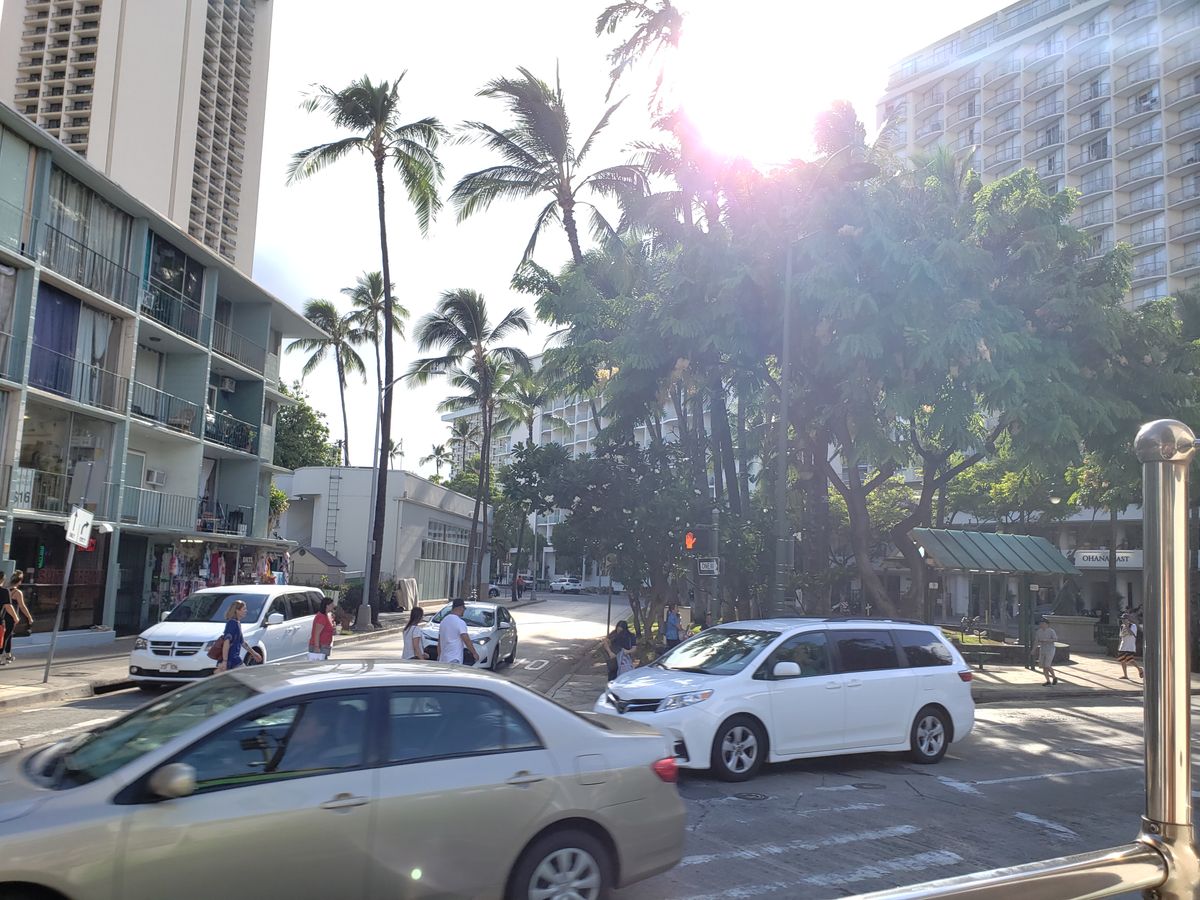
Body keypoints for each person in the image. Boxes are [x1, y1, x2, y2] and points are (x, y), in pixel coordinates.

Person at [216, 599, 263, 672]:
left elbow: (242, 642)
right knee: (244, 675)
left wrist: (254, 653)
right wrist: (225, 661)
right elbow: (226, 642)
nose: (246, 611)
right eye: (244, 609)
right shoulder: (232, 623)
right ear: (237, 611)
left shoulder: (237, 623)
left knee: (224, 677)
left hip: (233, 659)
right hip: (231, 659)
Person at [438, 599, 480, 665]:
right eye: (464, 608)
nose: (464, 611)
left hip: (443, 659)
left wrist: (439, 656)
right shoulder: (460, 622)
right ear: (460, 608)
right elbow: (466, 639)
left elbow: (439, 642)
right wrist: (474, 653)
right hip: (454, 658)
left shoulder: (444, 621)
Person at [1, 571, 29, 664]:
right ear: (19, 581)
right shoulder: (17, 592)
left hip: (3, 615)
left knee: (8, 636)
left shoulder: (5, 589)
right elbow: (22, 606)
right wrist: (29, 617)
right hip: (10, 617)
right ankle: (2, 656)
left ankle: (8, 655)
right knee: (6, 637)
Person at [1117, 615, 1144, 680]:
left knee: (1130, 660)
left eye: (1124, 619)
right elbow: (1121, 636)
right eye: (1122, 619)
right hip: (1123, 645)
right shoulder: (1122, 626)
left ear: (1128, 619)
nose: (1123, 620)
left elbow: (1132, 634)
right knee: (1122, 660)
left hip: (1130, 646)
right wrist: (1119, 645)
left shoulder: (1133, 626)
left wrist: (1127, 626)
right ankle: (1125, 675)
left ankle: (1139, 669)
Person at [1035, 618, 1059, 686]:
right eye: (1040, 623)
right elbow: (1036, 641)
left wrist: (1047, 640)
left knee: (1047, 665)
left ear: (1047, 624)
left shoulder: (1051, 631)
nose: (1041, 625)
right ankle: (1048, 681)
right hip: (1042, 649)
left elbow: (1055, 639)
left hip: (1050, 649)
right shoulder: (1039, 631)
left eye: (1043, 623)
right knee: (1043, 666)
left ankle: (1054, 677)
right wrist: (1033, 650)